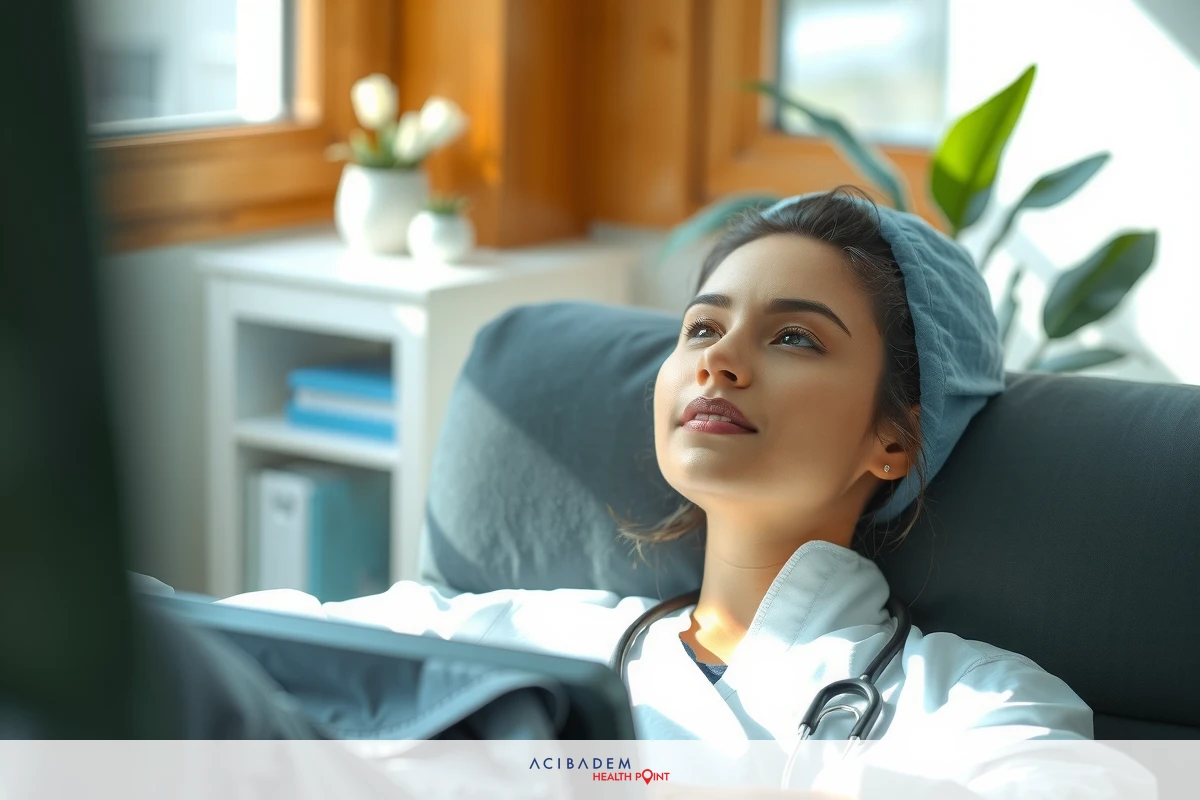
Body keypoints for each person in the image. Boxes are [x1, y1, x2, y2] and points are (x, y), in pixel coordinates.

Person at [220, 187, 1153, 796]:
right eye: (703, 327)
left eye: (795, 338)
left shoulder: (974, 708)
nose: (722, 363)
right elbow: (228, 652)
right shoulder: (519, 639)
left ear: (893, 439)